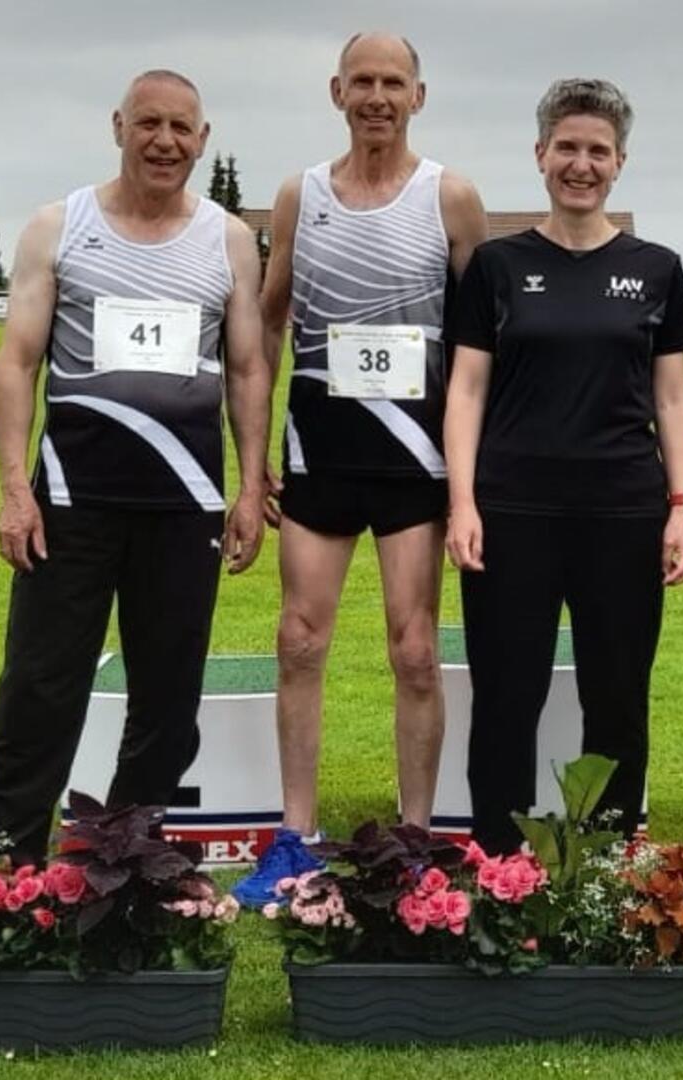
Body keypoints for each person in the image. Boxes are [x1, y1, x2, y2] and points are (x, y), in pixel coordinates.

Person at [0, 69, 271, 864]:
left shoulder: (229, 240)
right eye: (150, 124)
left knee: (168, 701)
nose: (165, 142)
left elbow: (247, 370)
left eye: (182, 129)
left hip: (185, 508)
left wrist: (251, 486)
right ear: (119, 126)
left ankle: (122, 868)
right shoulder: (58, 226)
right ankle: (10, 868)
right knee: (41, 689)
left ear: (203, 141)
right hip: (71, 503)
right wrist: (15, 491)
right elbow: (16, 364)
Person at [232, 33, 487, 906]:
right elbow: (267, 325)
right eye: (363, 82)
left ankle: (416, 841)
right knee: (300, 639)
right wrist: (258, 454)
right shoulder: (300, 195)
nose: (377, 96)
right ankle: (293, 839)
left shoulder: (450, 198)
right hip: (322, 452)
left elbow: (477, 347)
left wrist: (467, 481)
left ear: (420, 93)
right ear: (337, 90)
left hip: (415, 461)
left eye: (394, 82)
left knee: (415, 653)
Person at [445, 77, 683, 854]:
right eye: (567, 148)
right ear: (541, 154)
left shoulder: (656, 268)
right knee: (505, 699)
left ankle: (605, 870)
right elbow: (467, 386)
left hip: (622, 512)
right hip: (512, 512)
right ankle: (499, 865)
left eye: (597, 151)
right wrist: (463, 502)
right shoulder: (496, 265)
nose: (580, 164)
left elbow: (674, 397)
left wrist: (680, 505)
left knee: (616, 699)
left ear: (618, 163)